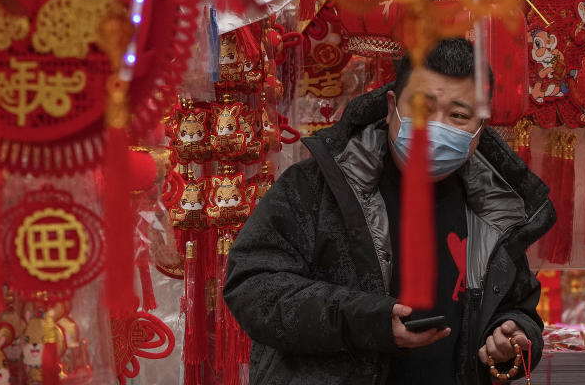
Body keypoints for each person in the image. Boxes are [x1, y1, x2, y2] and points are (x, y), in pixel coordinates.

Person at [224, 38, 555, 384]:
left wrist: (514, 337)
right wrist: (367, 321)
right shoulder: (315, 187)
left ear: (479, 129)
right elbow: (253, 286)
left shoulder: (495, 211)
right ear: (392, 105)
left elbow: (518, 307)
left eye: (458, 115)